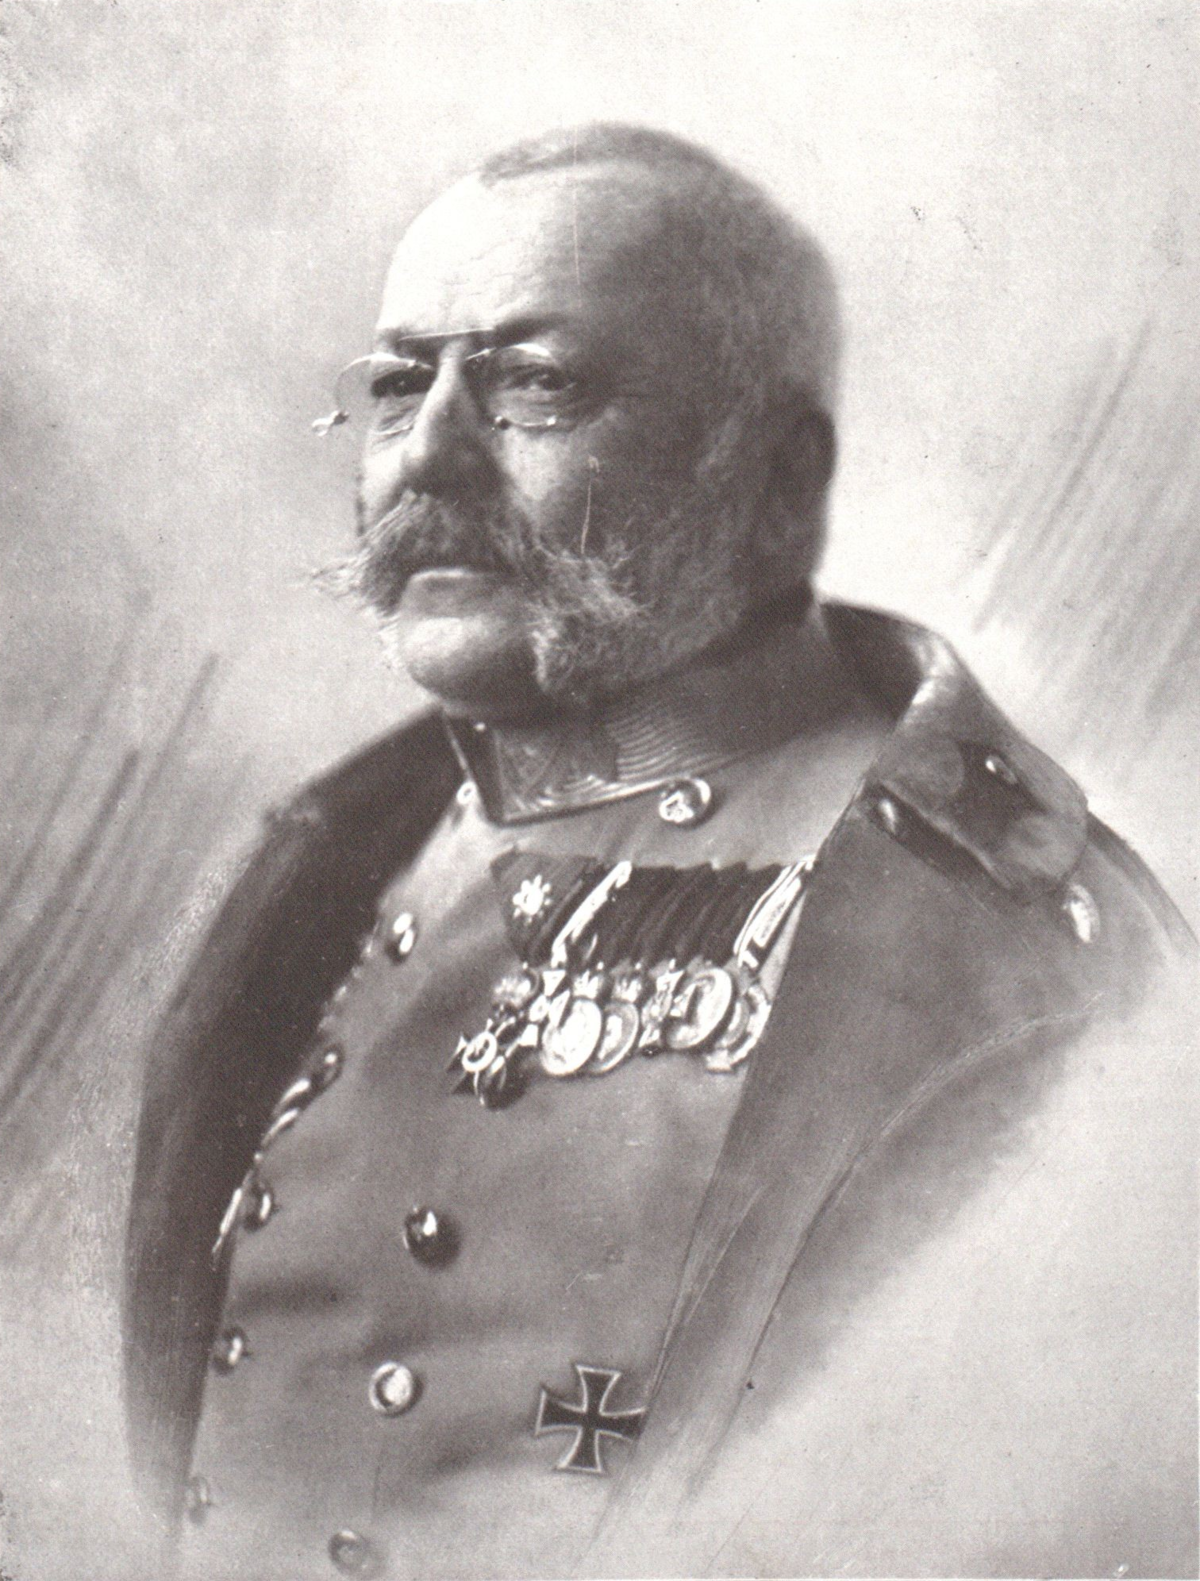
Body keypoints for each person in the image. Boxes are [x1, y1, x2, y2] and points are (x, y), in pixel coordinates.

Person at [123, 125, 1196, 1580]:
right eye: (398, 385)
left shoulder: (1005, 951)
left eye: (535, 384)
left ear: (773, 476)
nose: (428, 454)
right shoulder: (322, 865)